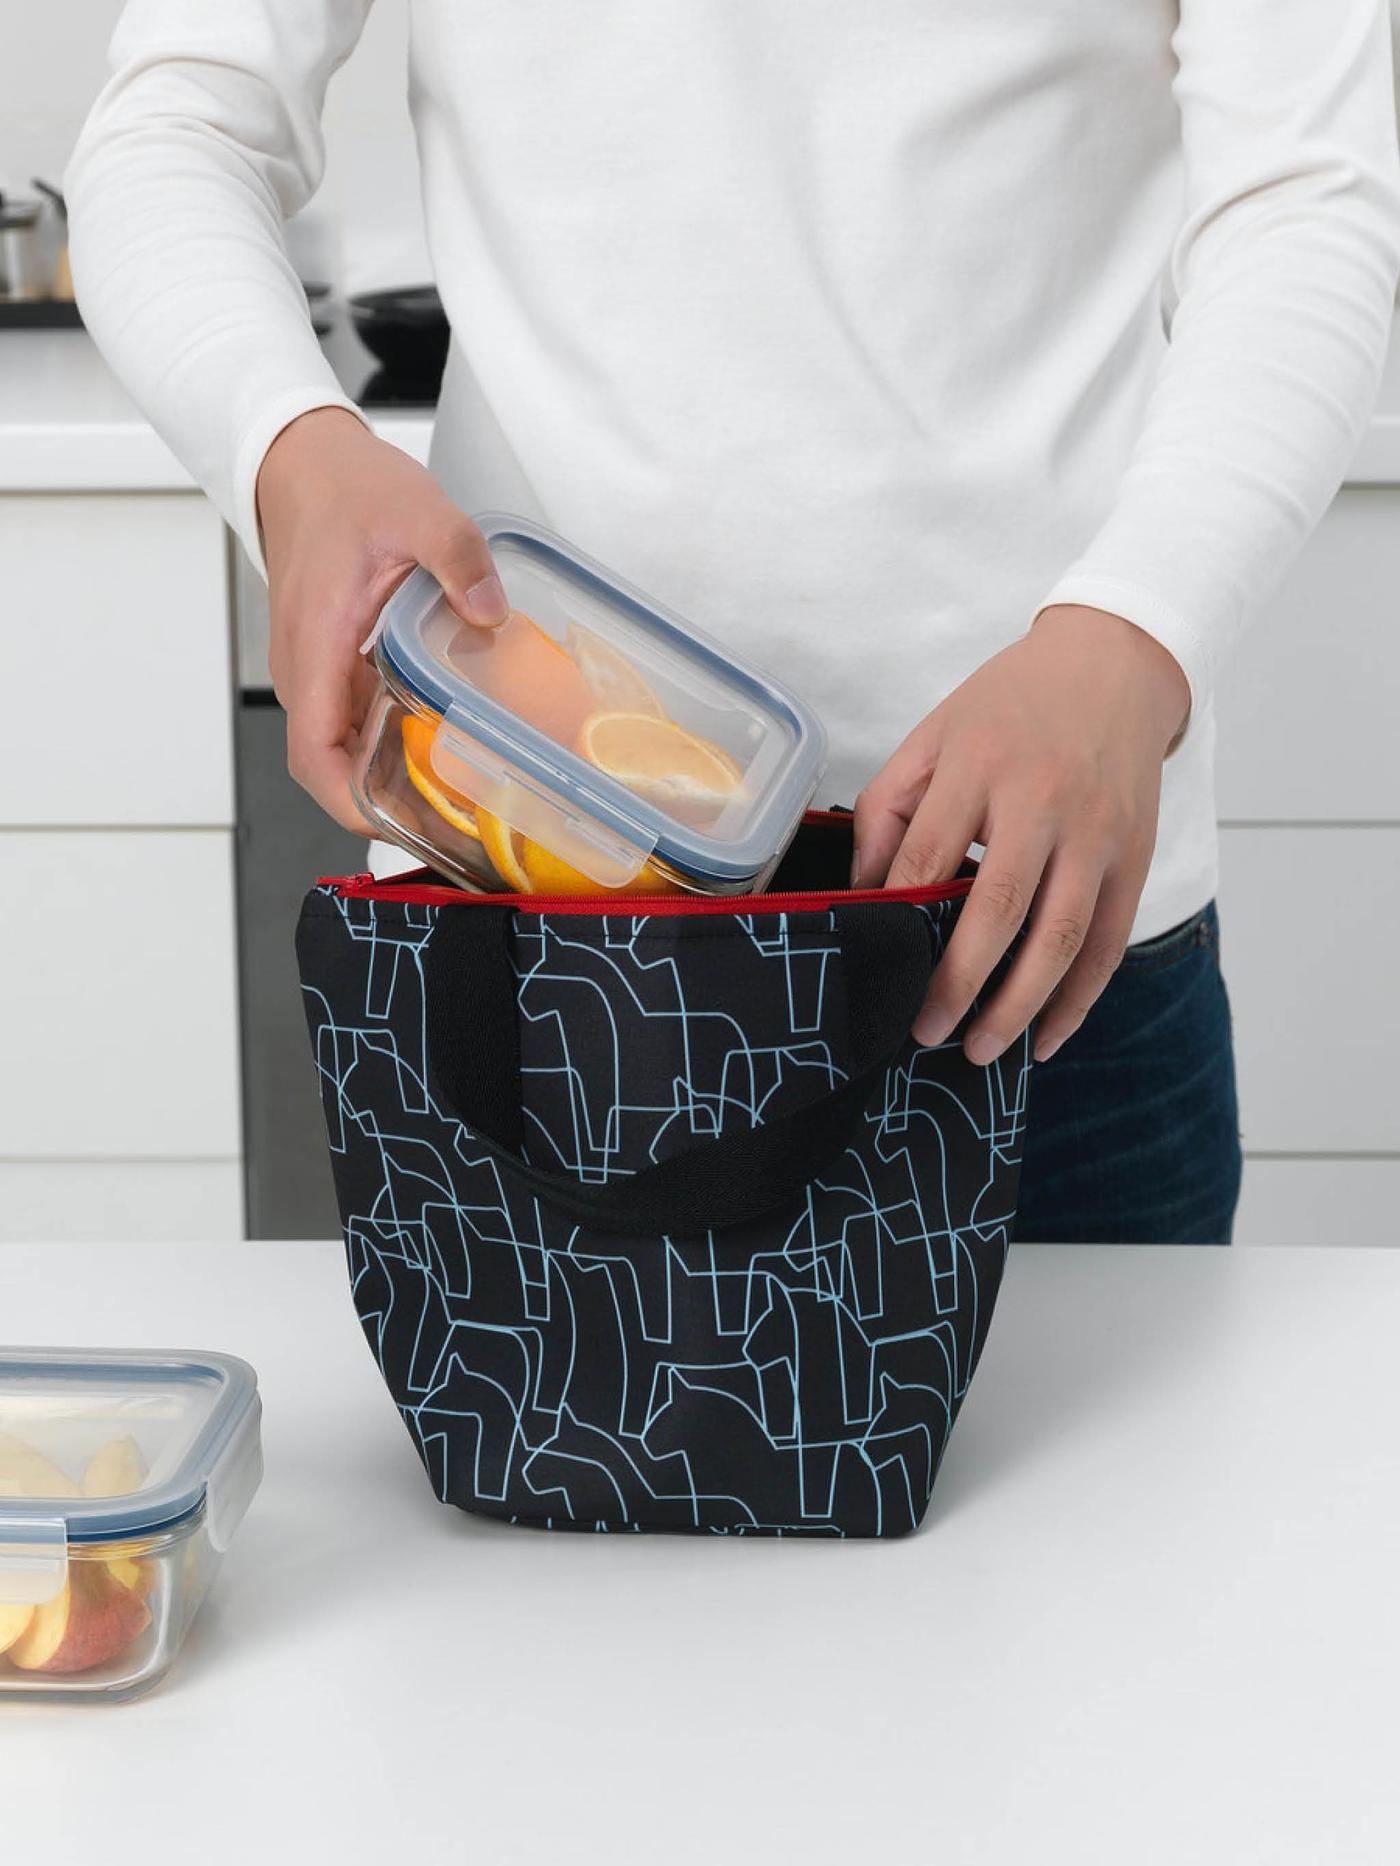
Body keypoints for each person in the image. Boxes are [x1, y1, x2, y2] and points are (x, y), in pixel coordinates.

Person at [65, 3, 1400, 1244]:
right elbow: (179, 120)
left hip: (1032, 937)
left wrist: (1135, 632)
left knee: (1139, 1505)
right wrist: (288, 452)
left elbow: (1306, 198)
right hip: (541, 921)